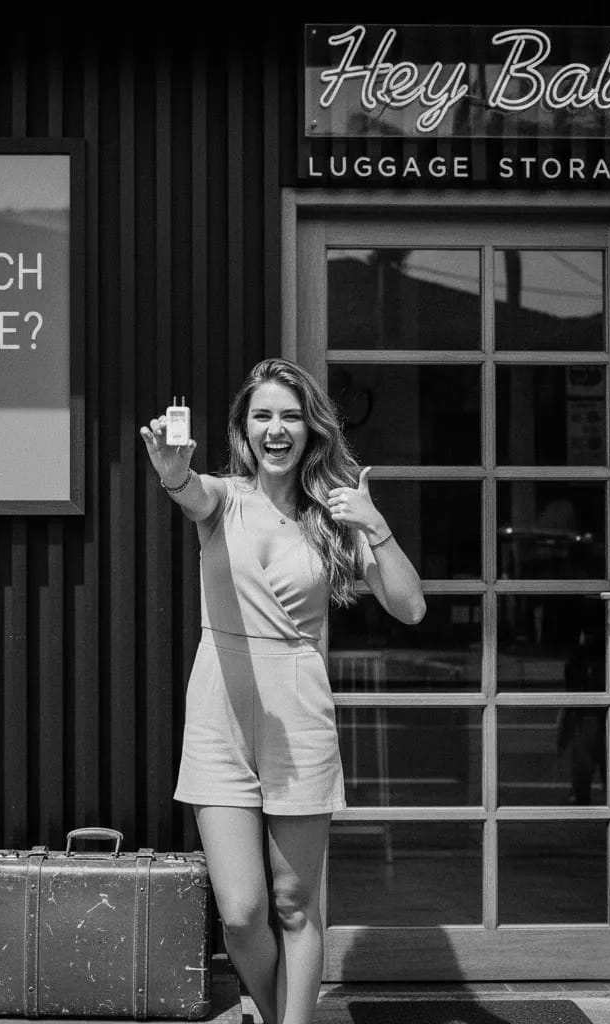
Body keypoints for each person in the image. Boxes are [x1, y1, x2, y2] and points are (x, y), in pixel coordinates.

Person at [139, 358, 425, 1024]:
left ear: (311, 429)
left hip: (297, 716)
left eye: (291, 416)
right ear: (244, 428)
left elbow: (410, 607)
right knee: (241, 912)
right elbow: (190, 492)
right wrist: (173, 473)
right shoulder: (223, 499)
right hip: (219, 712)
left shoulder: (335, 516)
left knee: (296, 904)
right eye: (263, 415)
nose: (277, 429)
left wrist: (373, 523)